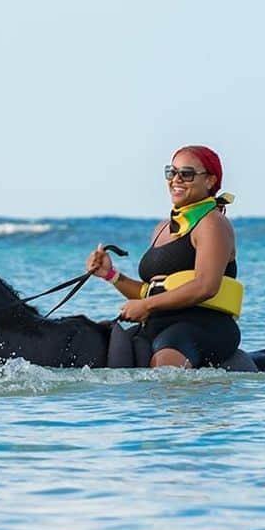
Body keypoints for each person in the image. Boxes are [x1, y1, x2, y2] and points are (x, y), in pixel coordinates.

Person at [87, 145, 241, 369]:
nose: (176, 180)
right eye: (172, 172)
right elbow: (150, 291)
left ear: (209, 181)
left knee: (165, 367)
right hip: (158, 323)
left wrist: (147, 306)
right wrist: (111, 275)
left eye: (186, 174)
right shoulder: (162, 228)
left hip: (204, 325)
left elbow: (205, 286)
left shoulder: (212, 223)